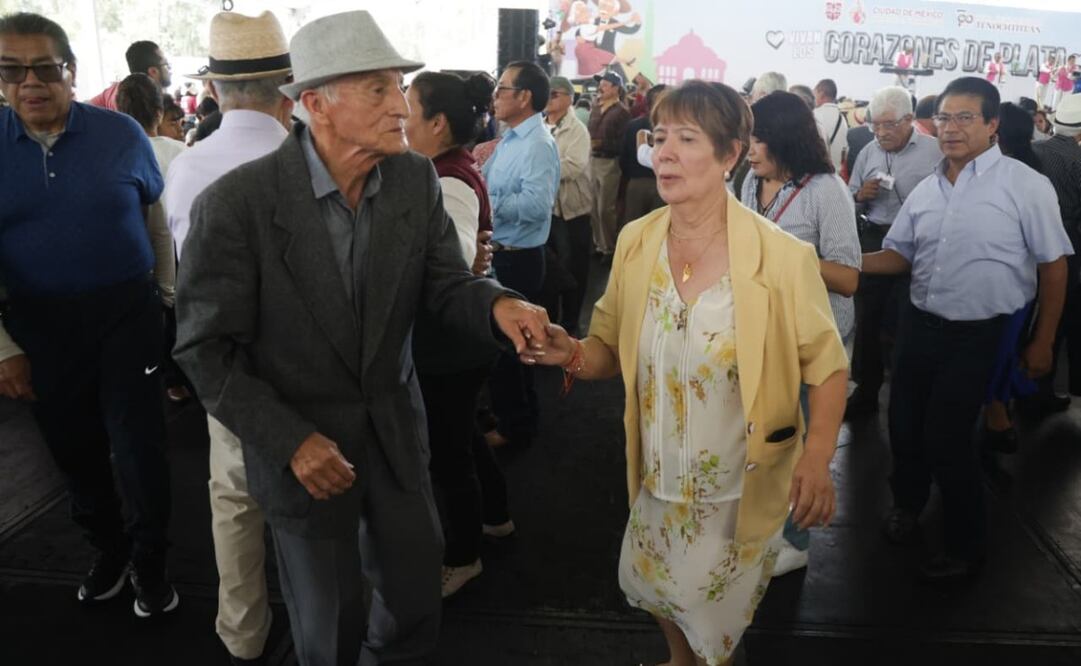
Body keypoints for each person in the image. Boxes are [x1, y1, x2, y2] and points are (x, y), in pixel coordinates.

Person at [173, 12, 551, 666]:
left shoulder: (411, 182)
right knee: (328, 626)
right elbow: (204, 350)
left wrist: (501, 306)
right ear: (315, 104)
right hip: (301, 452)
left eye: (398, 86)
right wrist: (288, 439)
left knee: (413, 603)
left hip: (397, 435)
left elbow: (443, 281)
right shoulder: (237, 205)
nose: (401, 106)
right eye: (377, 89)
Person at [525, 80, 848, 666]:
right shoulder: (636, 242)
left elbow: (826, 368)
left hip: (735, 493)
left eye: (687, 138)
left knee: (711, 628)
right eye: (659, 136)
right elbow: (607, 348)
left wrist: (817, 456)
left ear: (730, 155)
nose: (664, 152)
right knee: (663, 601)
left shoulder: (781, 258)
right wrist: (567, 351)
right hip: (657, 480)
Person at [0, 12, 177, 617]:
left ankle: (151, 563)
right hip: (40, 327)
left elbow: (154, 222)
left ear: (70, 72)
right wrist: (4, 348)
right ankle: (110, 549)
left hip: (128, 315)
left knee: (139, 449)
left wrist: (166, 297)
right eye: (11, 70)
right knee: (74, 451)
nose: (30, 82)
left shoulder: (122, 134)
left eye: (45, 67)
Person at [862, 77, 1072, 582]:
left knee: (948, 437)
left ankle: (965, 543)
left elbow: (1054, 266)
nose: (950, 129)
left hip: (979, 333)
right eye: (943, 118)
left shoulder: (1025, 185)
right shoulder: (929, 187)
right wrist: (837, 261)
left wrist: (1043, 341)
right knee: (905, 426)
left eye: (964, 118)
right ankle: (907, 506)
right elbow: (899, 255)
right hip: (919, 326)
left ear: (992, 125)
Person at [163, 11, 294, 664]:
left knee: (236, 500)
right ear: (288, 87)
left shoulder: (188, 169)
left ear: (214, 89)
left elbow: (188, 279)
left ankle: (243, 632)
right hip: (317, 361)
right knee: (324, 493)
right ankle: (324, 615)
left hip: (229, 364)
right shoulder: (313, 158)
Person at [403, 69, 513, 599]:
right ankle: (495, 519)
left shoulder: (447, 181)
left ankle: (463, 555)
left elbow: (457, 264)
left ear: (437, 122)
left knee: (449, 453)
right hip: (457, 337)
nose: (398, 120)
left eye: (406, 108)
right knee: (462, 434)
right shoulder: (441, 171)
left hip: (451, 339)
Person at [741, 90, 860, 575]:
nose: (749, 149)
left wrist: (786, 255)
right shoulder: (750, 181)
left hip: (810, 341)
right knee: (762, 441)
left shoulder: (826, 192)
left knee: (806, 444)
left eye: (758, 139)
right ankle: (764, 525)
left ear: (784, 140)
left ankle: (795, 541)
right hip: (760, 333)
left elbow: (849, 277)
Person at [845, 87, 942, 417]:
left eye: (889, 125)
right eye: (876, 125)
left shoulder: (935, 151)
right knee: (867, 320)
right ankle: (866, 390)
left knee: (908, 321)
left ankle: (908, 396)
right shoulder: (869, 152)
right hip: (875, 237)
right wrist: (860, 194)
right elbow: (848, 196)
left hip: (919, 244)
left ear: (909, 120)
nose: (881, 133)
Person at [481, 60, 560, 449]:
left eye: (502, 89)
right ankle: (512, 415)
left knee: (515, 348)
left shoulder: (537, 145)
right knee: (507, 346)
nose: (495, 97)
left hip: (519, 259)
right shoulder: (510, 139)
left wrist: (485, 199)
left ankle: (518, 426)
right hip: (503, 254)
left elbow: (534, 207)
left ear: (524, 97)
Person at [979, 102, 1046, 452]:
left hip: (1007, 288)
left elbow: (1054, 261)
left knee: (998, 351)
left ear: (996, 132)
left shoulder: (1020, 179)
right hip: (1016, 287)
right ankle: (1001, 404)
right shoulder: (1030, 167)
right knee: (1001, 350)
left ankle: (996, 412)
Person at [114, 72, 183, 320]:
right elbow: (163, 226)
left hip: (136, 273)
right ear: (159, 112)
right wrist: (168, 293)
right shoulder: (182, 153)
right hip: (181, 264)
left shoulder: (115, 157)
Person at [1030, 93, 1081, 408]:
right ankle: (1041, 392)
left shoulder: (1033, 151)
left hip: (1025, 250)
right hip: (1067, 254)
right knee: (1057, 320)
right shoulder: (1077, 162)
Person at [543, 75, 594, 336]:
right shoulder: (540, 125)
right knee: (549, 270)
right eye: (546, 94)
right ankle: (550, 320)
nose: (549, 99)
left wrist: (537, 169)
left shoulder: (577, 130)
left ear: (568, 98)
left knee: (573, 269)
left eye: (554, 94)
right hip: (547, 211)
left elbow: (573, 167)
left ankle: (572, 323)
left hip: (572, 211)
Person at [588, 70, 631, 254]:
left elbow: (622, 142)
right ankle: (599, 244)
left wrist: (601, 143)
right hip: (592, 160)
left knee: (605, 208)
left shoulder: (622, 112)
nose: (601, 88)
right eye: (601, 84)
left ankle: (610, 247)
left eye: (605, 84)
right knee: (593, 207)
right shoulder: (596, 107)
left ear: (616, 88)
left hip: (609, 163)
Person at [620, 83, 666, 228]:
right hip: (662, 183)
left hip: (636, 183)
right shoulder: (673, 128)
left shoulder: (633, 125)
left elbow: (624, 158)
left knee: (633, 226)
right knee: (657, 228)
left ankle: (630, 251)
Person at [88, 39, 171, 111]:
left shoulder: (142, 91)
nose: (170, 69)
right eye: (166, 64)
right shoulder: (128, 100)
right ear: (153, 71)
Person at [814, 78, 849, 172]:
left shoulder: (814, 115)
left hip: (817, 173)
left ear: (821, 94)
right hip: (837, 174)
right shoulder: (843, 119)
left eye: (815, 94)